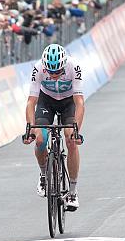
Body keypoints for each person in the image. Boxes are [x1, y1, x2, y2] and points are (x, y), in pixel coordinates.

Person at [23, 44, 84, 211]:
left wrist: (76, 131)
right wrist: (30, 129)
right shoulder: (38, 68)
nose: (54, 75)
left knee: (71, 140)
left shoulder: (74, 66)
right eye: (50, 72)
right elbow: (31, 102)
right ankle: (43, 175)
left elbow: (79, 103)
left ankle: (72, 191)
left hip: (68, 102)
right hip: (46, 101)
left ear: (64, 65)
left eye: (57, 72)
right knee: (41, 139)